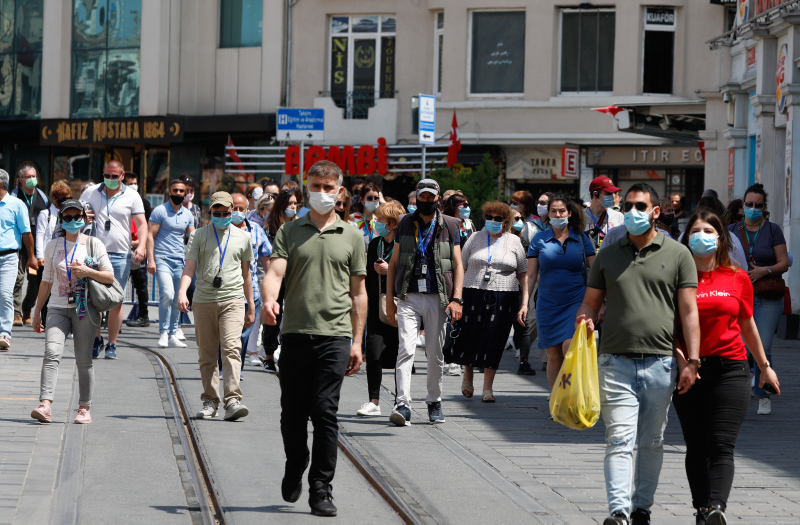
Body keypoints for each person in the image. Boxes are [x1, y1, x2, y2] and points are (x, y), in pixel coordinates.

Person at [575, 183, 700, 525]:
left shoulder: (678, 254)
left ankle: (642, 507)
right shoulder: (608, 254)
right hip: (614, 360)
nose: (633, 212)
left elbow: (689, 312)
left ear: (656, 212)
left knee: (651, 441)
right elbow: (590, 301)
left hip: (660, 363)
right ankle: (618, 511)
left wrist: (692, 360)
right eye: (628, 205)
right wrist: (584, 318)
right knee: (619, 438)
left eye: (641, 206)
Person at [262, 160, 367, 516]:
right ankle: (296, 462)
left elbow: (358, 293)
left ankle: (321, 488)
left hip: (335, 336)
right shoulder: (290, 232)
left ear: (339, 192)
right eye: (315, 187)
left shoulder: (353, 235)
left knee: (325, 412)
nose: (321, 193)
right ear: (307, 189)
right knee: (292, 414)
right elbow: (275, 272)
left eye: (328, 187)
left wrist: (357, 341)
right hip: (294, 333)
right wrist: (268, 299)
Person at [674, 209, 781, 524]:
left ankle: (716, 508)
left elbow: (748, 325)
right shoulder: (677, 279)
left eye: (709, 230)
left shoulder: (736, 277)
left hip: (731, 369)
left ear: (720, 238)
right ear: (686, 237)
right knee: (696, 446)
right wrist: (684, 362)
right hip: (689, 372)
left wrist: (764, 366)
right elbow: (670, 328)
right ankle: (702, 508)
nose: (702, 236)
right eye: (696, 230)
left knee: (721, 442)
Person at [385, 179, 464, 426]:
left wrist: (457, 299)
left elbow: (459, 265)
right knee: (406, 349)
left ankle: (434, 400)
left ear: (438, 199)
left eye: (431, 197)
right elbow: (394, 264)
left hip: (438, 297)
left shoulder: (451, 225)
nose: (426, 201)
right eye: (423, 197)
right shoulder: (405, 223)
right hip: (409, 296)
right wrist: (390, 300)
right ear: (417, 197)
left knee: (434, 352)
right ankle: (402, 403)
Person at [29, 199, 115, 424]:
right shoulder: (53, 245)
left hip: (84, 308)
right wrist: (38, 311)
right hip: (57, 308)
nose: (73, 221)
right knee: (51, 353)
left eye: (77, 217)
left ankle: (84, 407)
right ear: (62, 220)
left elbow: (109, 276)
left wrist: (87, 271)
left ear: (84, 218)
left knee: (83, 359)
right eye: (68, 217)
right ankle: (45, 404)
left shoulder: (94, 244)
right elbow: (46, 282)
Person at [177, 192, 254, 421]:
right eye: (217, 213)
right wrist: (183, 292)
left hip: (232, 300)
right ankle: (210, 400)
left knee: (231, 348)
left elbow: (246, 273)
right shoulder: (199, 235)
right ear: (210, 212)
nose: (222, 217)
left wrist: (251, 305)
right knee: (207, 353)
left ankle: (232, 400)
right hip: (204, 300)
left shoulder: (243, 237)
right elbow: (189, 268)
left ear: (233, 211)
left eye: (226, 213)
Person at [454, 202, 528, 402]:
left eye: (498, 219)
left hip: (504, 294)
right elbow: (461, 266)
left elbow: (523, 274)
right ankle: (467, 377)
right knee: (469, 335)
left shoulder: (514, 241)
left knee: (494, 338)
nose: (493, 222)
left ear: (505, 222)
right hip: (472, 292)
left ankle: (488, 388)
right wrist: (456, 297)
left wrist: (525, 303)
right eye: (490, 217)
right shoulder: (475, 237)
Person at [727, 183, 789, 416]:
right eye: (749, 204)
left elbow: (784, 261)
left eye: (758, 205)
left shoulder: (772, 230)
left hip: (767, 295)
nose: (753, 208)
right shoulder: (731, 230)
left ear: (764, 208)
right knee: (740, 346)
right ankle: (740, 392)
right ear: (743, 205)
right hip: (739, 294)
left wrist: (765, 270)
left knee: (763, 345)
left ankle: (763, 395)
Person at [81, 162, 147, 359]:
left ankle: (112, 343)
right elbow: (75, 214)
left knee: (115, 301)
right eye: (106, 175)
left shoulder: (132, 196)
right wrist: (83, 217)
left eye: (114, 176)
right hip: (93, 253)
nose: (110, 179)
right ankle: (96, 338)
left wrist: (142, 246)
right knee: (93, 298)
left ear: (122, 175)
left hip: (120, 254)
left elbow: (142, 224)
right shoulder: (90, 192)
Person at [527, 194, 595, 389]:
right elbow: (530, 276)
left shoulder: (582, 238)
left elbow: (596, 270)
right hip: (547, 304)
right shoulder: (539, 239)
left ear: (569, 213)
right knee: (553, 354)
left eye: (562, 211)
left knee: (569, 348)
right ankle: (556, 399)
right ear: (548, 214)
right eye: (554, 211)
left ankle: (572, 393)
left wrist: (598, 303)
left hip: (576, 302)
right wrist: (525, 303)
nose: (558, 214)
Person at [358, 200, 404, 417]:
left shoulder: (405, 244)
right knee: (374, 353)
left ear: (394, 223)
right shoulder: (375, 244)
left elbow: (409, 276)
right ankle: (373, 401)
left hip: (400, 306)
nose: (377, 223)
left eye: (382, 220)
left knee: (400, 357)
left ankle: (400, 402)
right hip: (377, 307)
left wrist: (390, 271)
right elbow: (366, 276)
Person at [147, 179, 196, 348]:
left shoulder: (188, 214)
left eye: (181, 191)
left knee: (178, 297)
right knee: (167, 293)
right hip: (162, 259)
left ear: (185, 193)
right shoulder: (160, 211)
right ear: (169, 191)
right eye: (175, 190)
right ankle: (163, 332)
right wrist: (151, 260)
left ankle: (173, 334)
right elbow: (149, 236)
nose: (178, 194)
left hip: (180, 260)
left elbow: (193, 237)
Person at [260, 188, 300, 373]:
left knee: (292, 315)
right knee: (274, 315)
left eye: (295, 204)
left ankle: (288, 353)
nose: (293, 207)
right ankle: (268, 355)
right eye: (289, 204)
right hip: (277, 276)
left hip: (294, 276)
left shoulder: (300, 226)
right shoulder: (271, 228)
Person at [230, 193, 271, 366]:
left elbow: (266, 259)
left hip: (250, 291)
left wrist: (271, 286)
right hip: (226, 290)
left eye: (241, 209)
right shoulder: (219, 230)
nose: (237, 212)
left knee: (244, 333)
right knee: (228, 333)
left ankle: (236, 367)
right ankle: (226, 365)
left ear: (247, 210)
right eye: (234, 208)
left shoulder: (256, 230)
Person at [0, 169, 36, 349]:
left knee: (5, 294)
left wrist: (31, 256)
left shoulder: (16, 205)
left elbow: (26, 233)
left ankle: (4, 334)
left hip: (8, 257)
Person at [11, 163, 49, 327]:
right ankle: (16, 313)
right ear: (21, 179)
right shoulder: (14, 197)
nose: (32, 179)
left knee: (35, 281)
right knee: (17, 280)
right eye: (28, 177)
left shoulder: (43, 197)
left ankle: (27, 309)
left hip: (36, 249)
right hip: (19, 247)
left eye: (34, 176)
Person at [35, 181, 73, 327]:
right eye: (61, 197)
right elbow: (40, 235)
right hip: (48, 257)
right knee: (46, 291)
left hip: (64, 257)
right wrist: (40, 256)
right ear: (54, 198)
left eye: (67, 197)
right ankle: (45, 321)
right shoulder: (46, 214)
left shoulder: (71, 214)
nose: (63, 200)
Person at [509, 208, 536, 375]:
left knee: (523, 325)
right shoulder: (500, 240)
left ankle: (524, 361)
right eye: (516, 218)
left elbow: (527, 271)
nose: (519, 221)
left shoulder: (524, 243)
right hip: (501, 289)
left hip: (519, 289)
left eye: (521, 218)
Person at [584, 176, 625, 251]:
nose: (612, 197)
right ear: (595, 194)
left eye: (612, 193)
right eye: (608, 193)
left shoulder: (619, 217)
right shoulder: (580, 217)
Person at [352, 182, 381, 250]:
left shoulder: (380, 219)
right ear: (362, 200)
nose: (373, 201)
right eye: (369, 198)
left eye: (376, 198)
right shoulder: (352, 218)